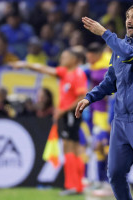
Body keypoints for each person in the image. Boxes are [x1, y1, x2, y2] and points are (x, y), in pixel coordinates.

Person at [76, 4, 133, 200]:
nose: (129, 21)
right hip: (121, 120)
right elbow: (110, 81)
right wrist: (89, 97)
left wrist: (105, 34)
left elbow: (129, 54)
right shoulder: (119, 47)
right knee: (115, 175)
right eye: (127, 16)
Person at [10, 48, 88, 195]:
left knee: (70, 148)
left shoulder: (78, 74)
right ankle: (77, 185)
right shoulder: (64, 72)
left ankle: (73, 186)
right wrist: (24, 64)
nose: (62, 60)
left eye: (65, 57)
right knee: (72, 148)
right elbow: (43, 68)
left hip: (72, 114)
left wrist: (63, 111)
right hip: (67, 115)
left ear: (74, 60)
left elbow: (81, 97)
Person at [85, 42, 113, 196]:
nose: (88, 60)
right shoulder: (92, 65)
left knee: (106, 146)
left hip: (108, 112)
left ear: (97, 55)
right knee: (98, 146)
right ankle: (102, 181)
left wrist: (112, 113)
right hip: (97, 112)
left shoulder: (109, 62)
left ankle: (110, 182)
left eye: (90, 57)